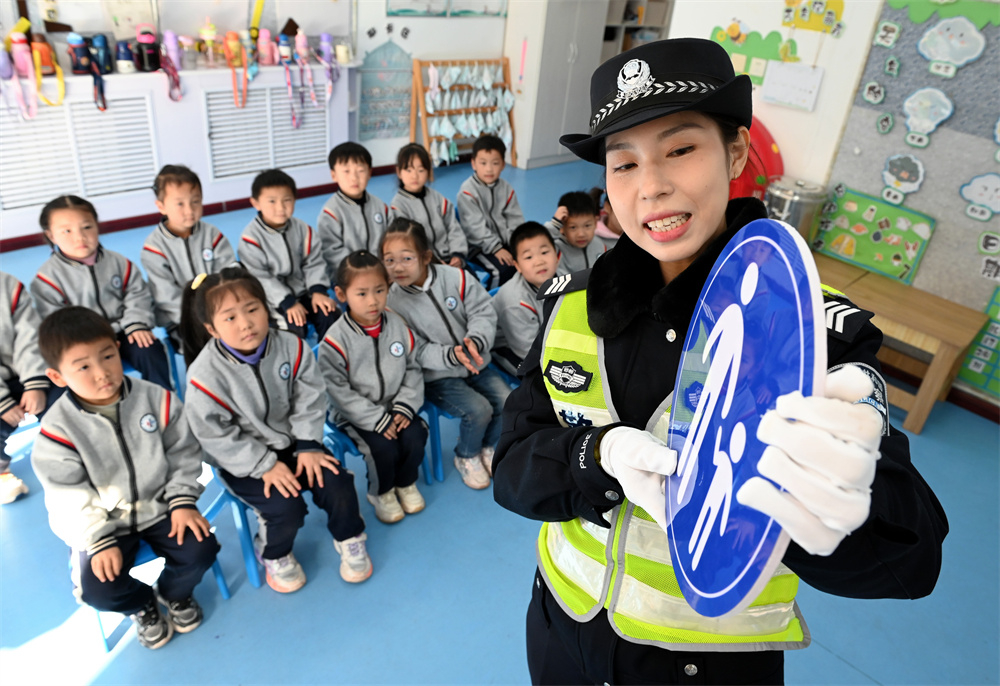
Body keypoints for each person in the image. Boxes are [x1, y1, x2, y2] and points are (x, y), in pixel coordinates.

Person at [492, 38, 948, 685]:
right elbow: (512, 463)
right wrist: (592, 457)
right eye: (623, 165)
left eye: (680, 149)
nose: (650, 187)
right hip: (560, 628)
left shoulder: (808, 330)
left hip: (705, 665)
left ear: (734, 153)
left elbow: (911, 562)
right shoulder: (570, 307)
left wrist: (854, 507)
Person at [32, 307, 219, 650]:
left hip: (161, 507)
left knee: (201, 549)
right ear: (57, 377)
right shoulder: (56, 431)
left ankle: (173, 593)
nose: (102, 372)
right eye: (83, 366)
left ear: (119, 348)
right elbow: (66, 495)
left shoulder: (156, 399)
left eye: (108, 356)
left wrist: (182, 501)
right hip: (104, 525)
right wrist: (97, 539)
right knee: (98, 590)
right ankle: (142, 604)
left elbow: (184, 453)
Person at [181, 267, 371, 592]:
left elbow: (310, 396)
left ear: (266, 308)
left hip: (296, 442)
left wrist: (310, 444)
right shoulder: (204, 376)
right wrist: (263, 465)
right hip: (244, 460)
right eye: (230, 318)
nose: (246, 324)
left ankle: (350, 537)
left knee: (337, 483)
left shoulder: (291, 347)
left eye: (252, 309)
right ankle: (274, 552)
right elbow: (214, 437)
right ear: (212, 329)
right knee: (286, 505)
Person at [381, 218, 510, 489]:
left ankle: (486, 447)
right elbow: (412, 349)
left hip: (476, 361)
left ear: (426, 256)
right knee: (478, 410)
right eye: (389, 260)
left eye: (406, 258)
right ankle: (466, 455)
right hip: (437, 376)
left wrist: (475, 341)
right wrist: (451, 355)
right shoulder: (392, 303)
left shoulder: (457, 277)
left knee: (507, 400)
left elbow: (482, 311)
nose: (397, 267)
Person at [319, 250, 429, 524]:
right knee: (381, 446)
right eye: (362, 293)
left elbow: (413, 367)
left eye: (379, 290)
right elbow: (337, 391)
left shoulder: (397, 325)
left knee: (415, 433)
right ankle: (381, 492)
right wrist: (375, 418)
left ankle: (405, 482)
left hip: (395, 403)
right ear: (341, 295)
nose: (373, 301)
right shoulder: (334, 341)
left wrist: (404, 405)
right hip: (355, 414)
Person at [30, 195, 172, 390]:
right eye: (67, 231)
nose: (79, 237)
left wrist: (137, 324)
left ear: (97, 226)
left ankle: (162, 402)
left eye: (87, 227)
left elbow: (138, 295)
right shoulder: (47, 280)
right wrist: (82, 343)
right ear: (51, 235)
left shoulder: (119, 263)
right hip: (82, 344)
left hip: (125, 331)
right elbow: (55, 322)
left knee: (149, 349)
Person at [141, 164, 237, 349]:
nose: (189, 210)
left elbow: (228, 272)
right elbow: (165, 295)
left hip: (219, 310)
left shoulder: (212, 235)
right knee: (207, 346)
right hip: (180, 319)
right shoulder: (153, 248)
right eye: (180, 203)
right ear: (161, 206)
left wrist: (220, 311)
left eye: (195, 201)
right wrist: (200, 318)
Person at [238, 169, 339, 339]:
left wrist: (318, 291)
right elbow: (260, 277)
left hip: (305, 291)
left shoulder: (304, 230)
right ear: (256, 203)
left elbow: (314, 262)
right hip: (274, 301)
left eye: (287, 200)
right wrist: (288, 302)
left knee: (329, 314)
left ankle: (331, 360)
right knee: (294, 330)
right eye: (271, 201)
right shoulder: (250, 239)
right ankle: (296, 364)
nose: (280, 208)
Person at [0, 271, 55, 504]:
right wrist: (3, 402)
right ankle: (2, 472)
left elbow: (30, 337)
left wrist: (34, 384)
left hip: (27, 371)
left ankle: (81, 455)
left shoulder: (7, 285)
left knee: (68, 402)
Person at [456, 134, 525, 288]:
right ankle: (491, 303)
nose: (489, 169)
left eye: (495, 163)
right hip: (478, 247)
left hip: (503, 241)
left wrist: (517, 243)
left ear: (503, 165)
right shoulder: (467, 192)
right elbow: (475, 228)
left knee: (524, 262)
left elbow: (515, 220)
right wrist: (496, 248)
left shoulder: (506, 188)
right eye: (483, 163)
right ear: (473, 164)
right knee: (502, 271)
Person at [316, 142, 390, 284]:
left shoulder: (380, 206)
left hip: (381, 270)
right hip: (349, 275)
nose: (354, 178)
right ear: (334, 175)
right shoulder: (331, 213)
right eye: (346, 171)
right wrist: (363, 272)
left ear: (369, 173)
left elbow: (391, 239)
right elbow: (332, 253)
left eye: (360, 171)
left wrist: (386, 266)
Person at [491, 222, 559, 376]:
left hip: (548, 338)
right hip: (512, 348)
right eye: (528, 257)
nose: (539, 261)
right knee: (540, 381)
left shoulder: (564, 279)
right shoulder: (514, 301)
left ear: (556, 255)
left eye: (544, 252)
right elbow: (527, 351)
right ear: (518, 266)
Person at [389, 142, 468, 268]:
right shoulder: (398, 207)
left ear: (428, 171)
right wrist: (433, 262)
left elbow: (453, 228)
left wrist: (457, 255)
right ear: (399, 172)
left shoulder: (439, 199)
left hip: (452, 259)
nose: (415, 175)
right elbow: (408, 243)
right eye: (408, 170)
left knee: (472, 284)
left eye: (421, 170)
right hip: (425, 265)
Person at [544, 191, 607, 275]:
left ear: (595, 223)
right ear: (562, 227)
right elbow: (539, 241)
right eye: (573, 227)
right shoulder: (556, 248)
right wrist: (555, 224)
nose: (581, 234)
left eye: (587, 225)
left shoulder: (600, 244)